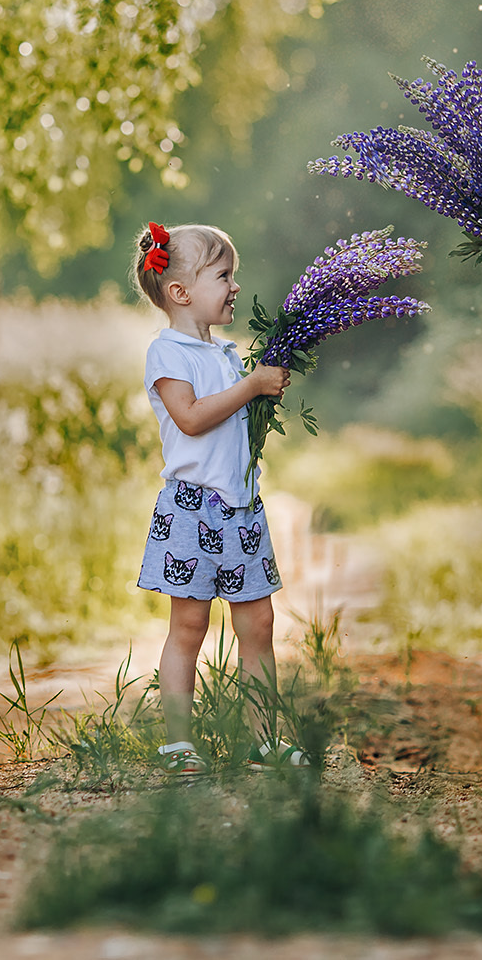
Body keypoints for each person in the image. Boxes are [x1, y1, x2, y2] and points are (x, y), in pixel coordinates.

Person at [131, 220, 302, 775]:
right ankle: (177, 741)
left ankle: (261, 740)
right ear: (180, 293)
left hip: (242, 508)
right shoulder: (168, 354)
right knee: (189, 627)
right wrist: (251, 386)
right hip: (192, 508)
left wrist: (260, 391)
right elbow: (192, 418)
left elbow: (233, 420)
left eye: (235, 275)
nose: (234, 287)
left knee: (259, 626)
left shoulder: (227, 354)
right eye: (224, 275)